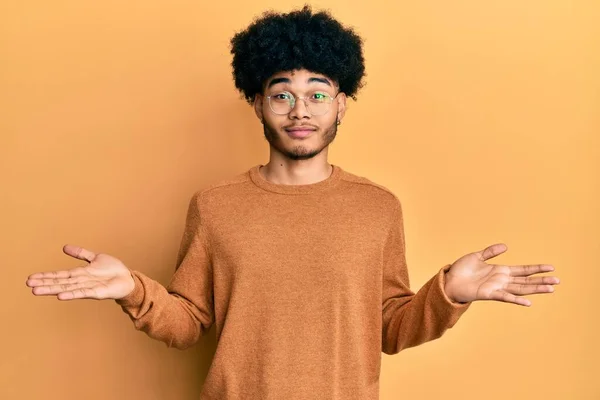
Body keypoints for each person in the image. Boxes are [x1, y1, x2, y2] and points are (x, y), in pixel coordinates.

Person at [25, 5, 559, 399]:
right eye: (282, 93)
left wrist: (449, 293)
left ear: (341, 105)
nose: (299, 110)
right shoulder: (214, 205)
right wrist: (133, 290)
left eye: (317, 93)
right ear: (258, 103)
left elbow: (390, 329)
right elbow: (189, 324)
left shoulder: (377, 207)